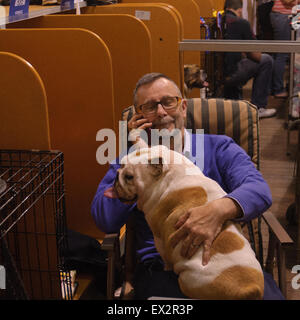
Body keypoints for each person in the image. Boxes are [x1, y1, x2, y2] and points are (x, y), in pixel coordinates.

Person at [91, 73, 281, 299]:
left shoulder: (218, 147)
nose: (161, 112)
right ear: (139, 116)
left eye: (169, 102)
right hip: (162, 270)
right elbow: (104, 218)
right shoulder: (131, 163)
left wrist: (216, 211)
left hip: (231, 268)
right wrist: (132, 158)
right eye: (150, 107)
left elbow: (259, 190)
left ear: (183, 107)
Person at [222, 0, 276, 119]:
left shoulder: (218, 21)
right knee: (266, 60)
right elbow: (255, 55)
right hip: (231, 74)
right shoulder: (241, 23)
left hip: (215, 75)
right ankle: (258, 107)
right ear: (240, 10)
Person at [270, 0, 296, 98]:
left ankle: (275, 87)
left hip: (284, 16)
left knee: (280, 54)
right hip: (282, 16)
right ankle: (278, 89)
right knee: (282, 54)